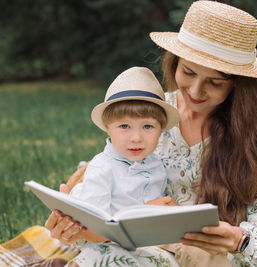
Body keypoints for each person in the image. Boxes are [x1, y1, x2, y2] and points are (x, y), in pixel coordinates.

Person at [45, 1, 257, 266]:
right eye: (188, 72)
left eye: (215, 82)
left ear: (237, 85)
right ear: (174, 63)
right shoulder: (151, 114)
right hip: (143, 250)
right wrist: (71, 221)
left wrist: (237, 239)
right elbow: (105, 176)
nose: (195, 91)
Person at [55, 66, 180, 245]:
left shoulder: (155, 164)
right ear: (108, 128)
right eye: (124, 126)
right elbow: (93, 230)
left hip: (149, 241)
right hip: (109, 246)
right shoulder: (102, 169)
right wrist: (143, 214)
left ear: (161, 130)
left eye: (148, 127)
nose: (136, 138)